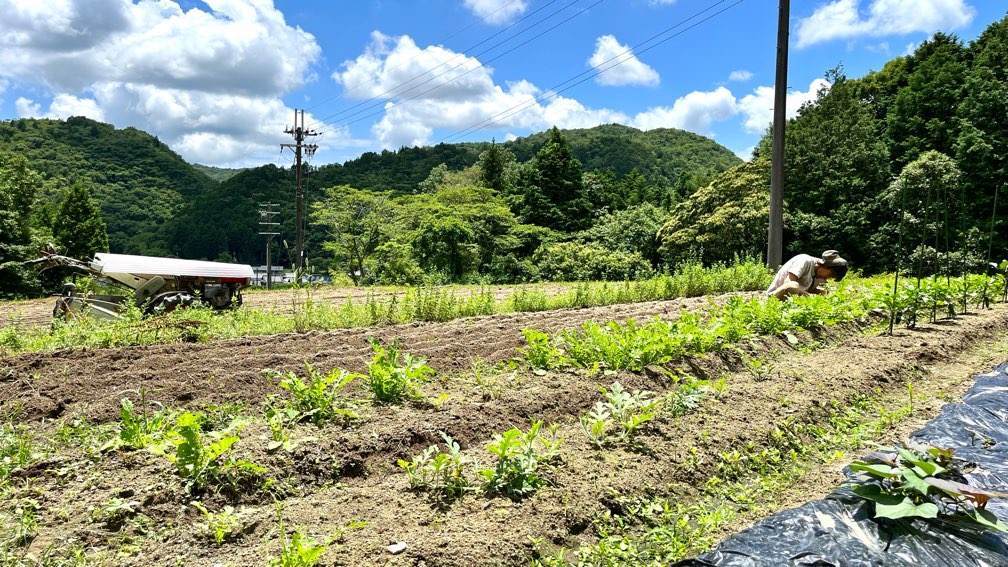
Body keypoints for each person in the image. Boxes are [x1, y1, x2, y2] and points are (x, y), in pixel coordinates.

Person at [766, 250, 848, 300]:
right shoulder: (805, 260)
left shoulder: (817, 275)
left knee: (823, 292)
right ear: (825, 266)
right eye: (829, 275)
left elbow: (806, 289)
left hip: (794, 299)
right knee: (793, 285)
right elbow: (789, 284)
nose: (826, 278)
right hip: (775, 297)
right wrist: (810, 297)